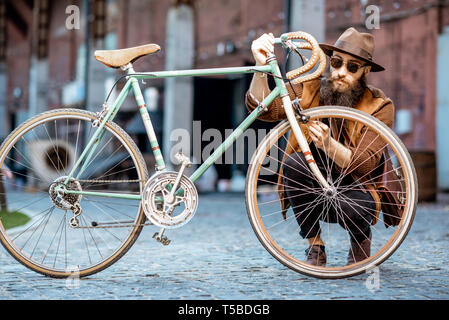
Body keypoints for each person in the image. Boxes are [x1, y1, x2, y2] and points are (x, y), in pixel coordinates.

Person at [245, 27, 395, 266]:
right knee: (293, 164)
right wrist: (260, 68)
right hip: (313, 184)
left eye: (352, 67)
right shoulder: (309, 87)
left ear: (365, 71)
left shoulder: (380, 106)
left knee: (351, 206)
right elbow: (264, 110)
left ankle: (360, 238)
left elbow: (366, 164)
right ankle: (315, 245)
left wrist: (329, 145)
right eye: (336, 63)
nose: (341, 73)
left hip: (356, 188)